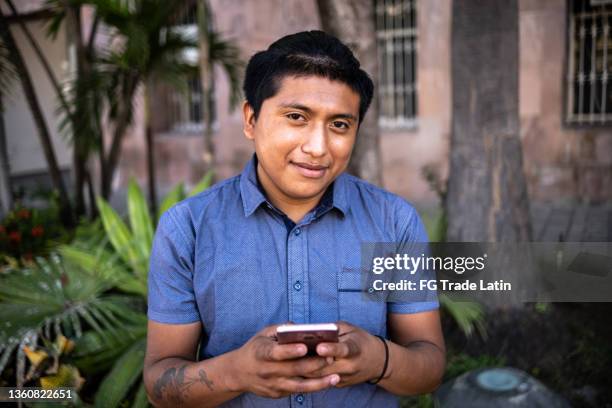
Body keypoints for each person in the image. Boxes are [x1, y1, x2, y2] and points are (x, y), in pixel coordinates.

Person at [143, 30, 445, 407]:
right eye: (296, 117)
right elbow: (159, 383)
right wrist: (235, 372)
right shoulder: (187, 229)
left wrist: (378, 359)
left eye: (339, 125)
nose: (317, 147)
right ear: (251, 119)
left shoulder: (394, 221)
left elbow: (430, 367)